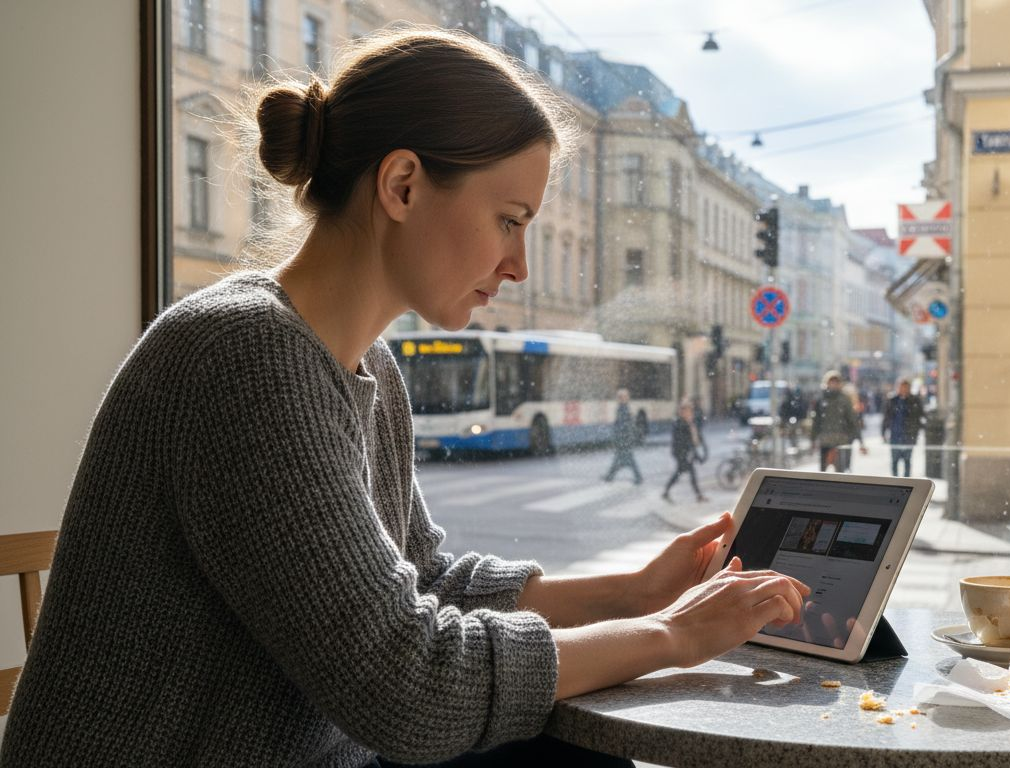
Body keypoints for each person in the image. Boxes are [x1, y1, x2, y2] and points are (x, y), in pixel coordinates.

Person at [0, 27, 811, 768]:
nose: (521, 264)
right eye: (508, 219)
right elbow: (409, 685)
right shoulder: (244, 353)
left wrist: (633, 591)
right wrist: (670, 633)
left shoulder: (368, 369)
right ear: (402, 184)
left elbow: (420, 581)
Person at [811, 370, 866, 472]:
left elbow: (853, 421)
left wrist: (861, 442)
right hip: (825, 441)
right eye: (831, 382)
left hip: (841, 442)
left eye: (836, 382)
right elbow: (816, 421)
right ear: (826, 383)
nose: (833, 384)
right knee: (822, 475)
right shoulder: (820, 399)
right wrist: (813, 440)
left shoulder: (844, 399)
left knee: (841, 474)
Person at [663, 400, 708, 504]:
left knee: (683, 473)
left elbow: (695, 439)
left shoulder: (687, 423)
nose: (690, 413)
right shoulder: (679, 423)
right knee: (684, 473)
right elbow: (685, 441)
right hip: (681, 453)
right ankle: (698, 496)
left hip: (685, 453)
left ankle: (666, 492)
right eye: (687, 411)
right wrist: (696, 456)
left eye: (690, 411)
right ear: (682, 412)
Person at [882, 379, 926, 477]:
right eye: (902, 387)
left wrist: (917, 431)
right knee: (894, 460)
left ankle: (906, 481)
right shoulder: (893, 401)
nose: (904, 389)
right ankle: (895, 481)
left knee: (907, 460)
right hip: (895, 436)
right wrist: (883, 433)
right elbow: (886, 418)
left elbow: (920, 417)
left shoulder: (914, 401)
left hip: (908, 436)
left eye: (906, 387)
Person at [603, 388, 642, 484]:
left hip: (624, 439)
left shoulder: (623, 409)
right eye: (619, 397)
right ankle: (610, 476)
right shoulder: (623, 408)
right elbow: (624, 425)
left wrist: (621, 437)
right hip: (624, 438)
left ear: (626, 398)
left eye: (622, 397)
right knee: (621, 459)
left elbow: (624, 426)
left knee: (627, 459)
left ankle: (638, 477)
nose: (619, 399)